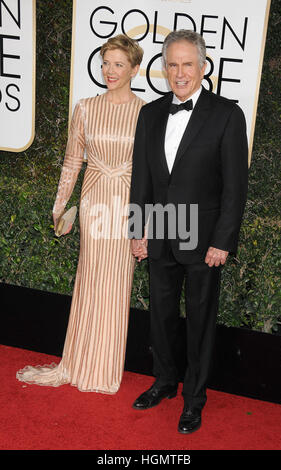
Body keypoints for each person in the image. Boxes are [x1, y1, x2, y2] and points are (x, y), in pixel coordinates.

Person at [129, 30, 248, 433]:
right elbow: (141, 179)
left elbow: (235, 186)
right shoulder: (150, 113)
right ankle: (164, 381)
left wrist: (222, 240)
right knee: (160, 317)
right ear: (164, 69)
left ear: (203, 67)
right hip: (161, 230)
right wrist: (137, 230)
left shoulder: (227, 114)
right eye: (172, 64)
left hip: (204, 239)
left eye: (187, 64)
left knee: (200, 321)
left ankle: (194, 398)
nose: (179, 73)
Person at [16, 34, 145, 394]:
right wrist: (61, 206)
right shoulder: (85, 107)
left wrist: (146, 219)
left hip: (125, 205)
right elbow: (73, 161)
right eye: (106, 63)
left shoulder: (146, 111)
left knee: (118, 282)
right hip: (93, 202)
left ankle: (104, 367)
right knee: (90, 279)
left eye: (118, 64)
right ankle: (79, 359)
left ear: (134, 69)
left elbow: (152, 172)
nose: (110, 71)